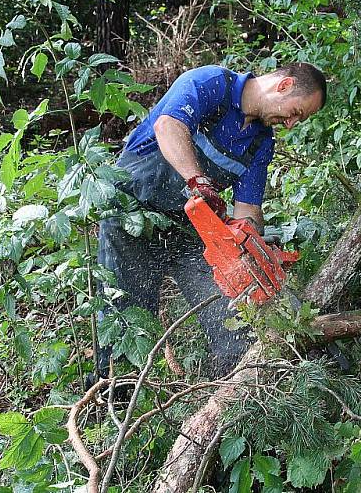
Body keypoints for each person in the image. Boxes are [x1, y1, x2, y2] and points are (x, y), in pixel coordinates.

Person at [96, 63, 327, 376]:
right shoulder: (212, 83)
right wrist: (197, 180)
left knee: (227, 308)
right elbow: (169, 126)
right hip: (133, 210)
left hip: (189, 228)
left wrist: (254, 247)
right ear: (284, 85)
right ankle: (110, 399)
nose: (291, 123)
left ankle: (231, 397)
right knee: (126, 314)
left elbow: (247, 211)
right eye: (295, 112)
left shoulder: (260, 142)